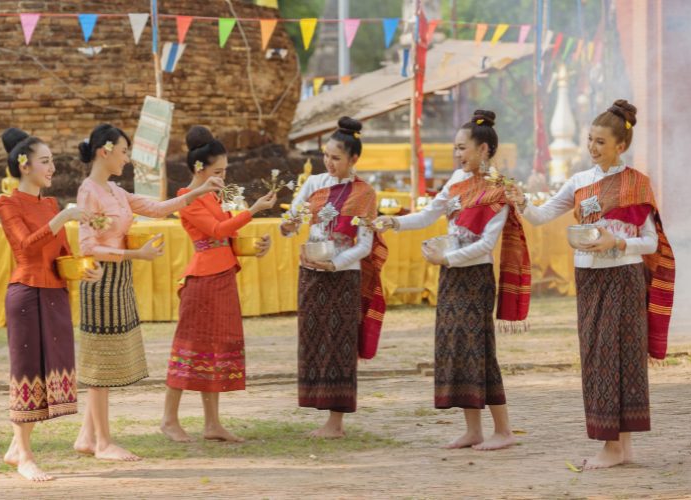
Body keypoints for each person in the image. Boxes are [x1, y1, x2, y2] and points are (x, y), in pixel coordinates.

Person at [506, 99, 675, 469]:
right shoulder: (579, 182)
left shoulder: (637, 183)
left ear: (621, 145)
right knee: (597, 356)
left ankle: (615, 447)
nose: (593, 147)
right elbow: (542, 215)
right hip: (589, 276)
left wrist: (617, 242)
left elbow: (651, 242)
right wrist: (521, 203)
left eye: (601, 141)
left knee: (618, 357)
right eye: (590, 139)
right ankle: (620, 448)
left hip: (623, 276)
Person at [376, 110, 530, 451]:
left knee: (480, 352)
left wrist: (447, 258)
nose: (458, 155)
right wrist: (394, 224)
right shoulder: (455, 183)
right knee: (456, 351)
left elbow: (486, 245)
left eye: (463, 148)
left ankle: (503, 430)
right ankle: (473, 430)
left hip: (475, 278)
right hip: (451, 276)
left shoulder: (500, 191)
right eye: (456, 149)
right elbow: (430, 214)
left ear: (485, 150)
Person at [73, 123, 223, 460]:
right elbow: (87, 247)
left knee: (109, 360)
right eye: (124, 152)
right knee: (100, 364)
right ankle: (102, 443)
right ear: (105, 151)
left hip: (119, 278)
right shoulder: (89, 191)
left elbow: (157, 208)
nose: (127, 159)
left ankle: (87, 436)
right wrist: (135, 254)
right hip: (100, 280)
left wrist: (198, 191)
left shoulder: (114, 191)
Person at [0, 127, 103, 481]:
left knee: (45, 374)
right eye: (45, 161)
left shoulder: (51, 204)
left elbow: (60, 253)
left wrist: (83, 269)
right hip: (26, 294)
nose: (52, 167)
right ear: (24, 166)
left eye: (53, 160)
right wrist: (64, 217)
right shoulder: (7, 203)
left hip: (54, 293)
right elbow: (25, 248)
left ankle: (16, 447)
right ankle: (25, 455)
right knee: (27, 372)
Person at [161, 125, 276, 443]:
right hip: (203, 280)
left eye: (225, 172)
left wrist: (255, 247)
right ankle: (169, 419)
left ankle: (212, 423)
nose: (222, 178)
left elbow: (228, 237)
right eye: (218, 171)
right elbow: (216, 230)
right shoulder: (187, 198)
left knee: (214, 351)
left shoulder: (210, 196)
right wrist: (253, 210)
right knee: (189, 348)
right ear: (200, 168)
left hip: (222, 276)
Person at [280, 117, 388, 438]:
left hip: (343, 277)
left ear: (354, 159)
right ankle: (319, 407)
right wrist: (286, 226)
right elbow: (294, 218)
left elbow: (365, 245)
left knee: (339, 345)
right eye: (325, 155)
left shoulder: (365, 193)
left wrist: (336, 264)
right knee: (314, 341)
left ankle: (335, 423)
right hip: (312, 272)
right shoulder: (314, 183)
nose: (328, 162)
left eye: (336, 158)